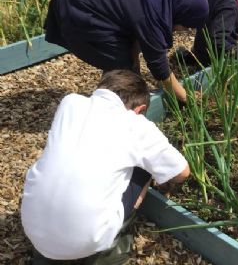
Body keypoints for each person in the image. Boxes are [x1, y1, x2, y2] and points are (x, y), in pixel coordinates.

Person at [21, 69, 190, 263]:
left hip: (34, 231)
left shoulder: (70, 103)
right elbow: (182, 172)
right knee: (144, 168)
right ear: (140, 109)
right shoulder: (136, 125)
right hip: (87, 240)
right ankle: (110, 253)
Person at [44, 0, 209, 103]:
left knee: (126, 64)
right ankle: (112, 105)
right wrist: (186, 97)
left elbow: (133, 25)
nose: (184, 30)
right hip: (79, 3)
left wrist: (135, 62)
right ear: (182, 14)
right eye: (186, 26)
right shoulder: (154, 16)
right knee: (119, 65)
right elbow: (160, 69)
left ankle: (116, 94)